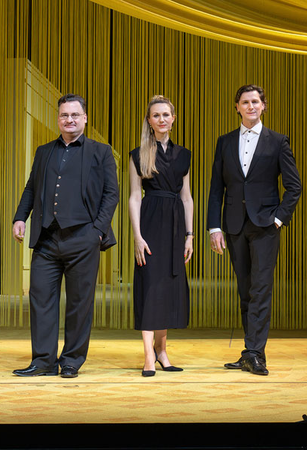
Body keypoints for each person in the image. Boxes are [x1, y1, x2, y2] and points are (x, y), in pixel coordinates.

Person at [12, 94, 119, 378]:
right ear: (57, 119)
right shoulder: (44, 151)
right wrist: (20, 217)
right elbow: (31, 188)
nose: (69, 120)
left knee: (79, 303)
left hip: (84, 238)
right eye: (64, 115)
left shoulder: (101, 151)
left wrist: (97, 230)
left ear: (84, 118)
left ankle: (71, 360)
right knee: (41, 300)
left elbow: (112, 194)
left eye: (74, 115)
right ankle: (43, 361)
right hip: (47, 238)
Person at [207, 84, 301, 376]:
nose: (250, 106)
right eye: (245, 102)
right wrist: (214, 227)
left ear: (264, 106)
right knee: (245, 291)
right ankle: (250, 351)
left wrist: (278, 219)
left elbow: (294, 187)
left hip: (265, 227)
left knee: (260, 290)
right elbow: (215, 190)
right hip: (234, 225)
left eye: (255, 102)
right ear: (237, 106)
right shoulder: (224, 142)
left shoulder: (278, 142)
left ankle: (256, 352)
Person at [128, 95, 193, 377]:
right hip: (150, 222)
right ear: (149, 120)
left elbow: (187, 197)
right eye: (156, 115)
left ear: (173, 118)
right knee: (150, 286)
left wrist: (190, 235)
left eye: (166, 114)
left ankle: (163, 352)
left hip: (176, 225)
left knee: (167, 288)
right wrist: (137, 237)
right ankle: (147, 356)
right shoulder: (138, 154)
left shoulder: (184, 154)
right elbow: (134, 197)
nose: (162, 119)